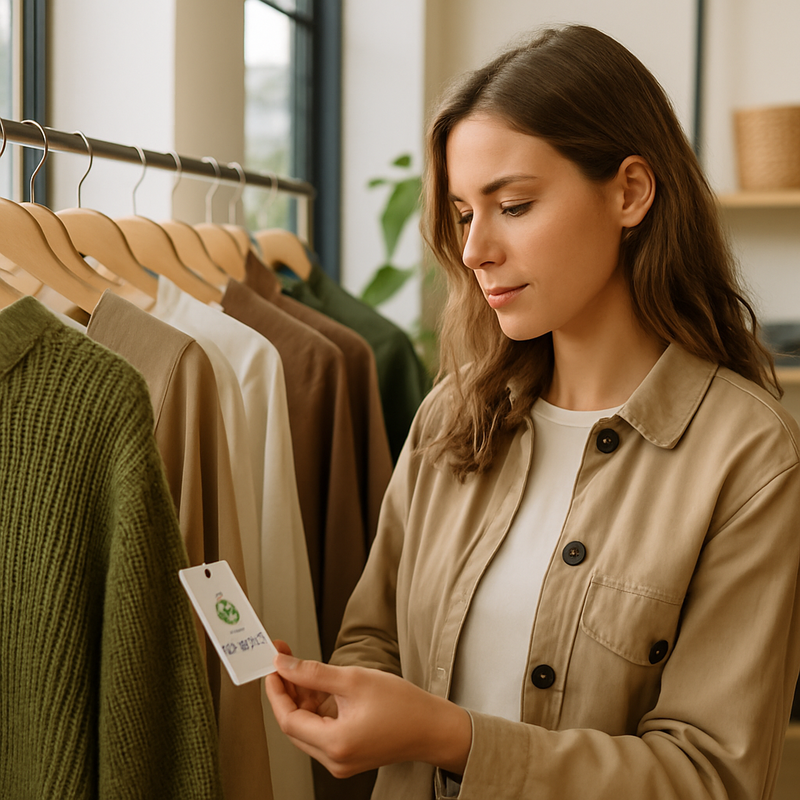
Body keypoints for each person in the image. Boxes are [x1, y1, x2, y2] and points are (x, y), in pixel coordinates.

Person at [265, 24, 800, 800]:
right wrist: (344, 696)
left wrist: (446, 737)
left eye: (512, 205)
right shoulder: (454, 412)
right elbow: (375, 636)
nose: (475, 248)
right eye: (460, 214)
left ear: (630, 192)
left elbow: (709, 777)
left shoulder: (748, 458)